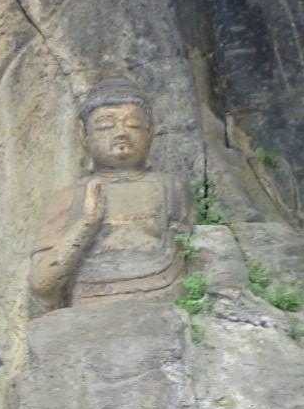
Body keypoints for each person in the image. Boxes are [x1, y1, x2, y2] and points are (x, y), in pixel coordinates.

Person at [30, 78, 188, 313]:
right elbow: (41, 284)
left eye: (133, 124)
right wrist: (86, 224)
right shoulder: (69, 197)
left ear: (151, 132)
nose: (121, 133)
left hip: (162, 301)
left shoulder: (171, 188)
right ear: (84, 135)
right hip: (90, 308)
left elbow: (192, 257)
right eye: (105, 126)